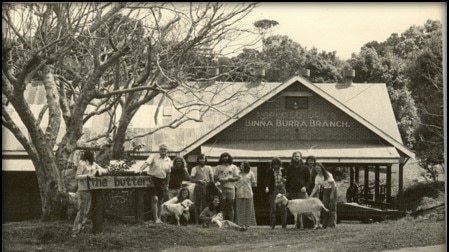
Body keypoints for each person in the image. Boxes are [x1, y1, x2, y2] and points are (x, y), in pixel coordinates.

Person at [72, 150, 107, 237]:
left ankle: (81, 230)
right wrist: (87, 176)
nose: (95, 156)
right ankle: (75, 231)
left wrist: (98, 171)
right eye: (93, 155)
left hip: (90, 191)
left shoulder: (94, 164)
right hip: (83, 190)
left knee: (86, 212)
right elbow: (77, 176)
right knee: (81, 212)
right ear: (89, 156)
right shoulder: (82, 163)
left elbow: (105, 170)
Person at [138, 143, 172, 224]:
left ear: (167, 151)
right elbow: (146, 163)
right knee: (155, 199)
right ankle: (155, 218)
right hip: (152, 179)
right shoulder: (153, 156)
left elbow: (168, 174)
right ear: (159, 150)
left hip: (162, 181)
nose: (163, 151)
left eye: (165, 149)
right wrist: (140, 169)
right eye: (161, 149)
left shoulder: (169, 160)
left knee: (160, 200)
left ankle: (159, 218)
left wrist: (167, 185)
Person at [285, 151, 310, 228]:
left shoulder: (305, 168)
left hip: (301, 192)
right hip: (293, 192)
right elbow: (287, 180)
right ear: (293, 158)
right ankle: (297, 225)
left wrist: (305, 187)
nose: (296, 158)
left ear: (301, 157)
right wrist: (288, 191)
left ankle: (304, 225)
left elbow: (308, 180)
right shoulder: (289, 168)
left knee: (303, 208)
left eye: (298, 156)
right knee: (295, 209)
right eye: (295, 156)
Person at [310, 163, 338, 228]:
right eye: (316, 169)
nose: (317, 170)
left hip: (332, 190)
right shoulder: (317, 177)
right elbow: (316, 187)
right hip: (325, 190)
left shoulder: (327, 174)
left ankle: (332, 224)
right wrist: (310, 196)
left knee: (332, 207)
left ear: (322, 168)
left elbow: (333, 185)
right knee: (324, 206)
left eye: (318, 168)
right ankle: (325, 224)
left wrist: (332, 194)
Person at [214, 152, 240, 222]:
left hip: (231, 188)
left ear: (229, 158)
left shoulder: (233, 167)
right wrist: (220, 179)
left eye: (226, 157)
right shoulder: (218, 167)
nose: (225, 158)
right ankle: (222, 222)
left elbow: (237, 177)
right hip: (221, 188)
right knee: (222, 206)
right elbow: (215, 177)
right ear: (221, 158)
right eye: (223, 157)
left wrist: (228, 179)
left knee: (231, 206)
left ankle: (231, 222)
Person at [190, 154, 214, 225]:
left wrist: (209, 182)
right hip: (198, 187)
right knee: (196, 205)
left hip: (207, 188)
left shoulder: (209, 168)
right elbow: (191, 179)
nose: (202, 160)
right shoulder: (194, 168)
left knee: (205, 205)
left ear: (205, 160)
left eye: (203, 159)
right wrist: (199, 181)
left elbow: (212, 179)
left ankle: (204, 222)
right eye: (200, 159)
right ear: (198, 160)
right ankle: (197, 222)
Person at [264, 157, 287, 229]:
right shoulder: (270, 171)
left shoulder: (283, 170)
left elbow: (287, 178)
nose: (276, 166)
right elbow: (267, 180)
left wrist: (285, 180)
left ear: (279, 164)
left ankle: (284, 225)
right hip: (274, 190)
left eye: (277, 164)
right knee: (273, 208)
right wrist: (267, 187)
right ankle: (272, 225)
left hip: (282, 189)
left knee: (283, 208)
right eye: (274, 164)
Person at [235, 161, 257, 227]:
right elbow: (234, 182)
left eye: (242, 165)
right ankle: (240, 223)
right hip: (240, 193)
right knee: (240, 209)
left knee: (249, 209)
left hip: (248, 193)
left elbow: (254, 183)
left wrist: (248, 185)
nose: (240, 166)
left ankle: (248, 224)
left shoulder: (251, 173)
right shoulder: (237, 174)